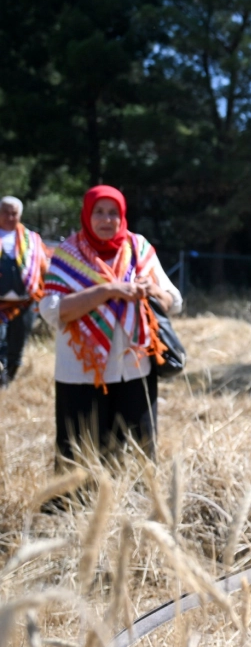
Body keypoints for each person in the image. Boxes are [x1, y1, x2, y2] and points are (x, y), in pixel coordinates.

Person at [39, 186, 182, 467]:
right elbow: (52, 310)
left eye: (113, 213)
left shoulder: (138, 248)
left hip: (134, 369)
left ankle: (131, 497)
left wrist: (151, 289)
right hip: (81, 373)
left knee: (137, 458)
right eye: (99, 212)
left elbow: (173, 302)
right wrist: (108, 290)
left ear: (123, 215)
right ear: (86, 215)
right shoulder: (68, 254)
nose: (106, 219)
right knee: (78, 458)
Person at [0, 196, 48, 387]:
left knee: (17, 344)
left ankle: (8, 379)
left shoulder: (32, 239)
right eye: (5, 212)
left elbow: (43, 267)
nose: (9, 217)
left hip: (25, 303)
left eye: (14, 213)